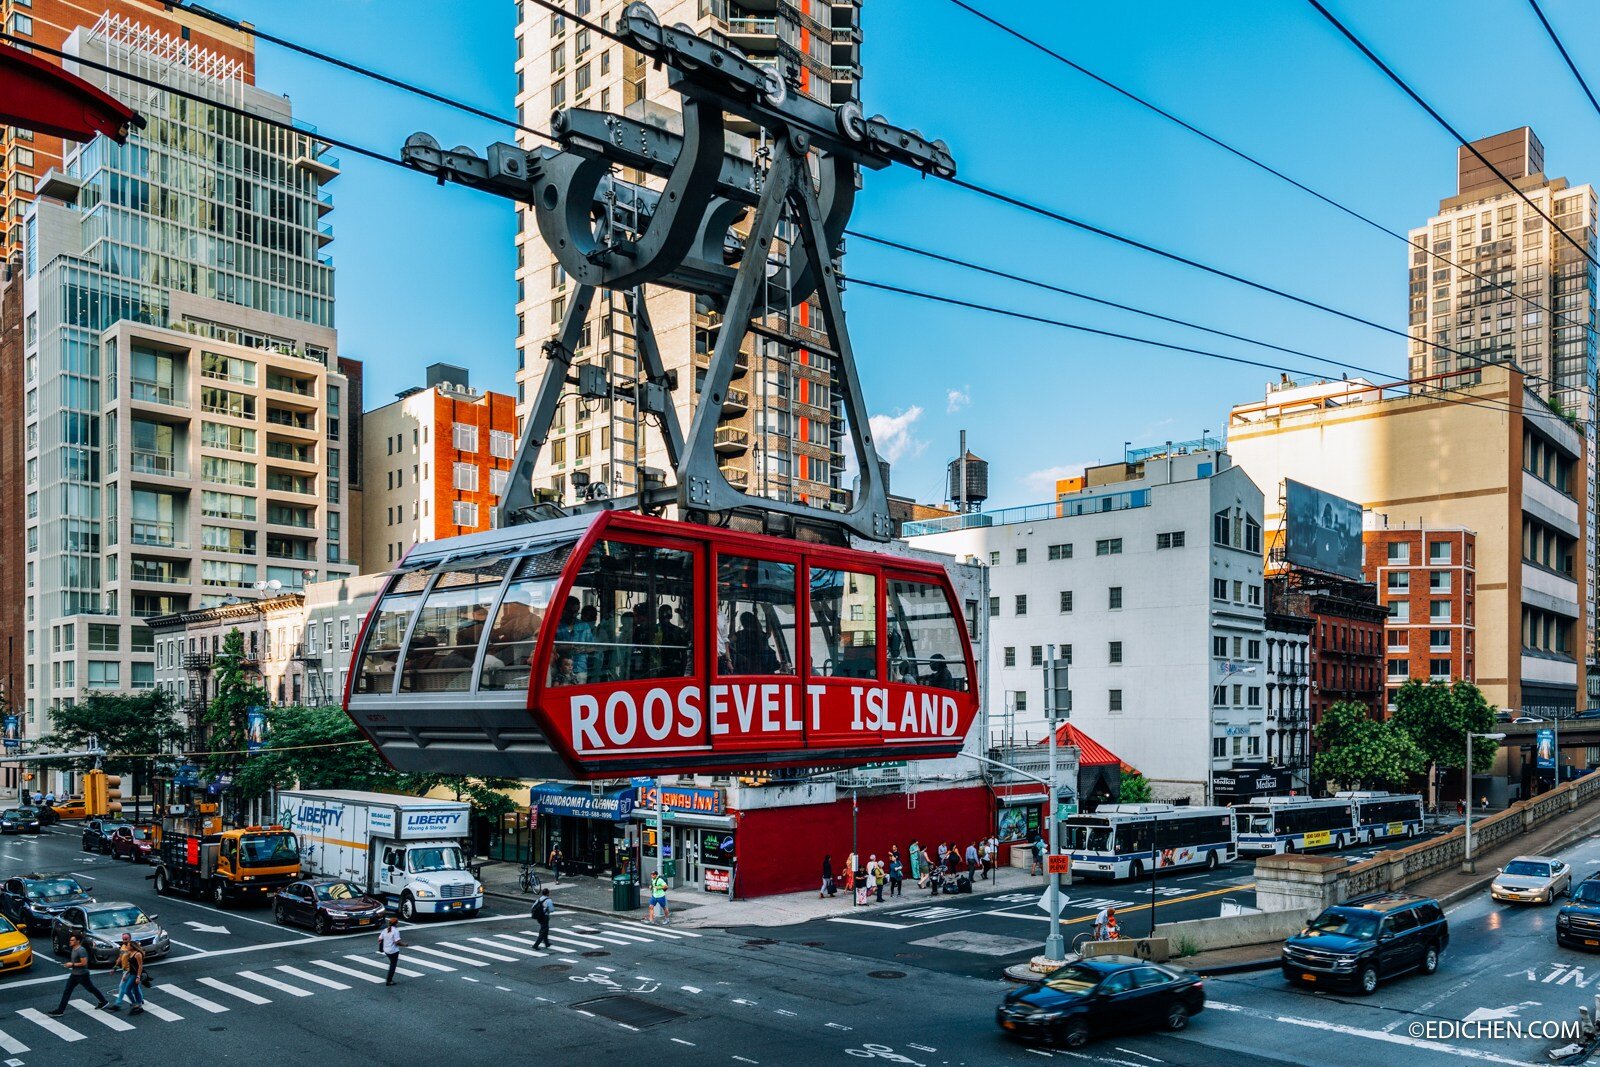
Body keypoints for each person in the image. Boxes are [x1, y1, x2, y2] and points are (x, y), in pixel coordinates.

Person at [49, 934, 111, 1015]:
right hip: (74, 975)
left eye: (72, 940)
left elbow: (84, 963)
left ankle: (103, 1001)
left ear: (77, 941)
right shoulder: (74, 949)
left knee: (91, 989)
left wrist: (72, 965)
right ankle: (60, 1010)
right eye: (70, 940)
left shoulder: (81, 950)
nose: (70, 941)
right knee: (67, 991)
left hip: (82, 975)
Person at [113, 934, 145, 1014]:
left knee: (127, 989)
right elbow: (127, 962)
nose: (125, 943)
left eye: (126, 940)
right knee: (136, 989)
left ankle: (135, 1004)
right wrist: (124, 973)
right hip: (130, 973)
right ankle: (138, 1004)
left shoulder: (137, 954)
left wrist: (138, 977)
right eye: (123, 939)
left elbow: (140, 966)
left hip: (135, 974)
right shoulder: (130, 952)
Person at [657, 604, 689, 677]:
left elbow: (684, 654)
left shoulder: (678, 631)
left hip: (672, 666)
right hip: (668, 666)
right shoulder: (679, 631)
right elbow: (684, 655)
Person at [378, 916, 405, 985]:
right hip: (393, 951)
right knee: (393, 965)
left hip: (386, 950)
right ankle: (389, 980)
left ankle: (389, 980)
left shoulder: (385, 930)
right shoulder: (395, 931)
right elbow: (397, 942)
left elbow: (379, 939)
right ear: (396, 924)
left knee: (392, 963)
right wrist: (405, 945)